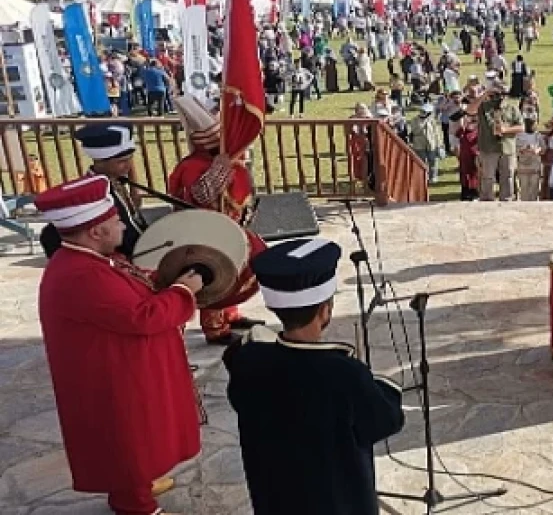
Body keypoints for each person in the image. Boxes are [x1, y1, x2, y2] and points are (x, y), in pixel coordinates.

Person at [37, 175, 204, 515]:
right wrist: (184, 292)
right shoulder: (81, 274)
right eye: (115, 222)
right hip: (108, 377)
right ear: (95, 232)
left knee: (135, 437)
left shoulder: (89, 260)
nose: (123, 228)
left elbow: (127, 284)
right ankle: (136, 505)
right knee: (126, 438)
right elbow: (141, 317)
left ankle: (138, 484)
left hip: (114, 367)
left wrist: (160, 277)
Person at [225, 237, 406, 515]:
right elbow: (385, 421)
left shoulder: (246, 359)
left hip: (276, 501)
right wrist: (380, 385)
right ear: (326, 311)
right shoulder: (345, 374)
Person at [167, 95, 266, 344]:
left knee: (241, 268)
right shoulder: (191, 167)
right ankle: (215, 327)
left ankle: (230, 314)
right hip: (204, 235)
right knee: (215, 275)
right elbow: (202, 194)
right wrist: (221, 167)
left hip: (229, 228)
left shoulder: (219, 159)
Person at [40, 125, 148, 259]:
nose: (128, 166)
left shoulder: (116, 181)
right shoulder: (94, 195)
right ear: (100, 162)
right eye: (122, 161)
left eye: (130, 159)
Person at [475, 84, 525, 201]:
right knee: (487, 176)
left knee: (508, 176)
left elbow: (521, 127)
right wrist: (484, 95)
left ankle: (506, 200)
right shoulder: (484, 107)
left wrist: (506, 130)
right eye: (497, 94)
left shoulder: (512, 108)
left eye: (503, 94)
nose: (500, 97)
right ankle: (487, 200)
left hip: (507, 147)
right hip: (488, 148)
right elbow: (470, 110)